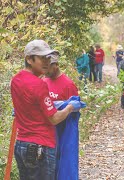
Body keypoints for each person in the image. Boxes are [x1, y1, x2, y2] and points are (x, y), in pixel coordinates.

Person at [11, 39, 83, 179]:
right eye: (41, 58)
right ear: (29, 59)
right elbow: (54, 118)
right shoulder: (40, 84)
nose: (46, 62)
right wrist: (69, 107)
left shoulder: (16, 80)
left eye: (47, 58)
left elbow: (29, 107)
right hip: (40, 148)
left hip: (21, 145)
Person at [43, 52, 80, 180]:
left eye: (48, 67)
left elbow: (74, 112)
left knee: (62, 168)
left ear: (56, 65)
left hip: (63, 133)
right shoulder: (44, 81)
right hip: (46, 134)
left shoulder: (68, 85)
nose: (45, 71)